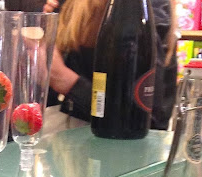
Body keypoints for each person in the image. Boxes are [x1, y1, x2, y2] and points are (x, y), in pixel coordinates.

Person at [44, 0, 178, 131]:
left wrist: (66, 81)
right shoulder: (76, 8)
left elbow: (143, 120)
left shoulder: (139, 8)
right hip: (74, 132)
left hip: (101, 139)